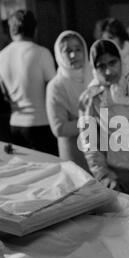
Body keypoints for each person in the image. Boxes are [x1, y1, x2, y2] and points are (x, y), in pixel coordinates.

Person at [78, 39, 129, 201]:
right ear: (93, 69)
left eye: (113, 63)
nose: (109, 71)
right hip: (121, 175)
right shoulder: (91, 99)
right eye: (101, 66)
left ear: (121, 61)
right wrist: (104, 176)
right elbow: (90, 144)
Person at [0, 9, 58, 154]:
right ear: (35, 30)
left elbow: (5, 96)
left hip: (15, 124)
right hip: (42, 123)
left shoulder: (0, 57)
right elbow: (53, 92)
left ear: (11, 31)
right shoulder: (42, 53)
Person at [46, 30, 91, 169]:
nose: (73, 55)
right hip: (73, 153)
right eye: (67, 51)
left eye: (78, 49)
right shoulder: (56, 86)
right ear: (59, 54)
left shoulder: (94, 76)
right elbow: (59, 128)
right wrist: (92, 121)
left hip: (100, 150)